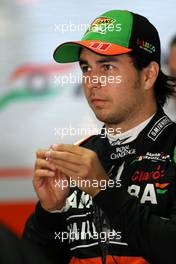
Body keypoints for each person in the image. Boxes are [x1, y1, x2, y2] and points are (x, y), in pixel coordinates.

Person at [23, 10, 176, 264]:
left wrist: (104, 191)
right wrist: (50, 212)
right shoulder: (80, 158)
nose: (92, 81)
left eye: (107, 66)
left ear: (148, 75)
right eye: (86, 68)